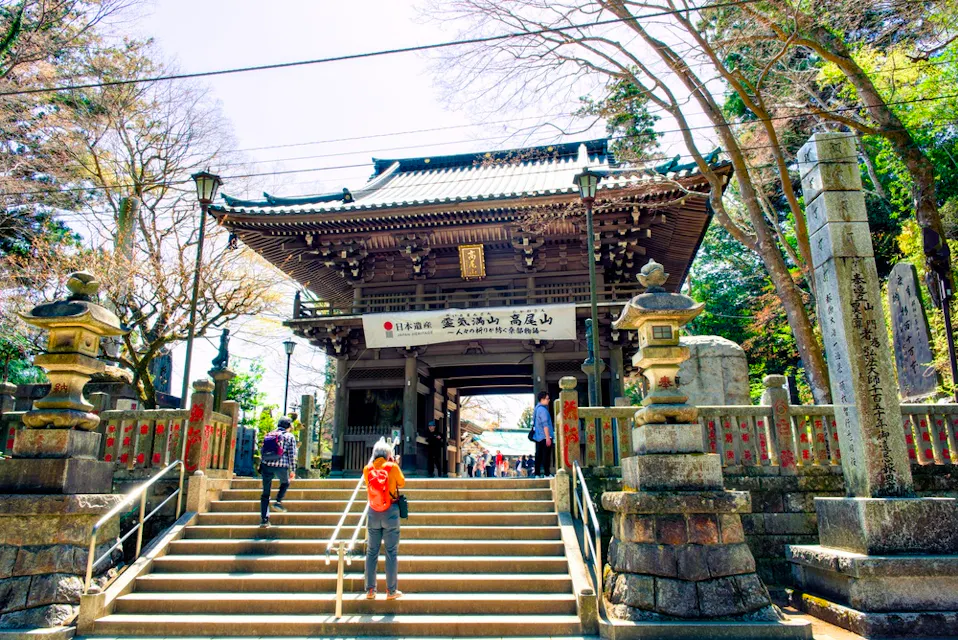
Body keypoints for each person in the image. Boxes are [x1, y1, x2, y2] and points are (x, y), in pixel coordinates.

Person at [363, 438, 406, 600]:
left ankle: (370, 590)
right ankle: (391, 591)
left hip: (373, 511)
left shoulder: (367, 469)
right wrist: (395, 464)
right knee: (391, 552)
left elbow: (369, 485)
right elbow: (401, 483)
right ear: (389, 454)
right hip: (391, 511)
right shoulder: (392, 467)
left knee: (371, 552)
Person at [259, 417, 298, 527]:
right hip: (281, 466)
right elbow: (292, 455)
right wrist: (293, 470)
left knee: (265, 493)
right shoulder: (290, 436)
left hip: (267, 464)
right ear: (289, 426)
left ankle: (264, 520)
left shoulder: (270, 434)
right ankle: (278, 501)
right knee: (285, 483)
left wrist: (261, 464)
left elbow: (263, 450)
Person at [533, 391, 554, 477]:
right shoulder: (543, 410)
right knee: (546, 456)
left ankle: (537, 473)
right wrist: (548, 437)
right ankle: (546, 473)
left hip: (538, 436)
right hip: (544, 436)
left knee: (539, 455)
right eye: (547, 399)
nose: (548, 400)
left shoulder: (537, 409)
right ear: (542, 399)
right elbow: (545, 424)